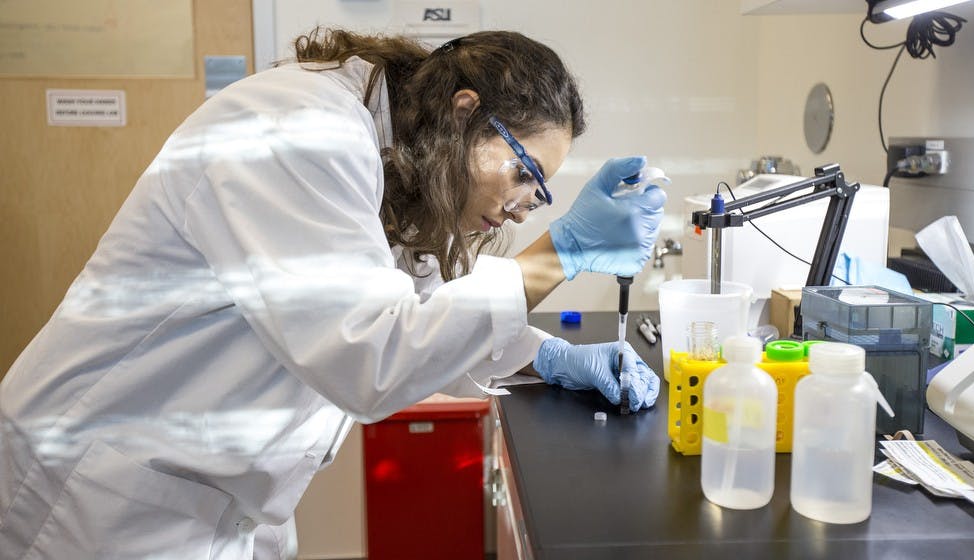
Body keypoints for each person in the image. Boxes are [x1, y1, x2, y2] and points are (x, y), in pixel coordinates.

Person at [0, 28, 665, 559]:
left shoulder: (393, 157)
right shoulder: (297, 131)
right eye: (524, 174)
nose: (525, 207)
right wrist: (563, 253)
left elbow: (422, 314)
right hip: (96, 497)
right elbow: (369, 353)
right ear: (466, 113)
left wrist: (547, 357)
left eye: (539, 192)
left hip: (208, 501)